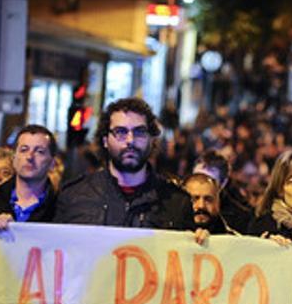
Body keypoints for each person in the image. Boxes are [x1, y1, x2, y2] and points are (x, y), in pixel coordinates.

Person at [54, 97, 192, 229]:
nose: (130, 140)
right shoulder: (74, 196)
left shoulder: (177, 201)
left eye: (139, 132)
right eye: (120, 132)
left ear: (151, 140)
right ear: (105, 140)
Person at [0, 124, 59, 225]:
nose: (29, 157)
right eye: (24, 150)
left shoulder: (62, 211)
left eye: (39, 151)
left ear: (52, 164)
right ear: (14, 159)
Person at [193, 149, 253, 233]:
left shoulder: (240, 218)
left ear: (223, 183)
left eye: (209, 181)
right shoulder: (180, 205)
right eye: (197, 178)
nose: (201, 185)